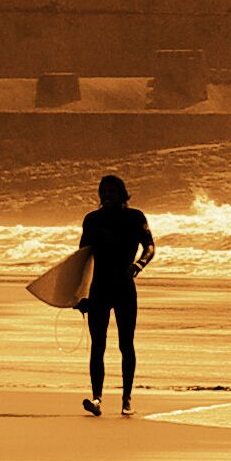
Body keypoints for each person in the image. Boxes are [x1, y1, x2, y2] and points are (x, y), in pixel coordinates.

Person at [75, 174, 153, 416]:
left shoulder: (135, 217)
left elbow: (149, 246)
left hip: (124, 288)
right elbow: (83, 259)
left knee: (125, 344)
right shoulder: (92, 220)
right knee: (97, 345)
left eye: (112, 192)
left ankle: (126, 399)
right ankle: (97, 398)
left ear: (122, 194)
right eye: (104, 192)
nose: (107, 196)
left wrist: (139, 265)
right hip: (98, 288)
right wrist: (80, 295)